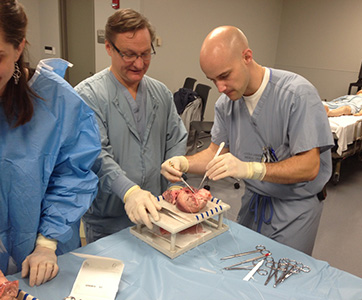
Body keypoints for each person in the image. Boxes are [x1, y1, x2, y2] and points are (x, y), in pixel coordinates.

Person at [161, 26, 334, 255]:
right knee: (241, 268)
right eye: (213, 80)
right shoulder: (226, 104)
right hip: (254, 203)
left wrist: (251, 169)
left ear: (247, 57)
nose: (220, 88)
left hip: (294, 208)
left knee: (281, 278)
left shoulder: (296, 94)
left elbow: (309, 166)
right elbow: (216, 152)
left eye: (224, 76)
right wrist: (183, 163)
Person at [0, 0, 101, 286]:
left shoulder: (58, 103)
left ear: (19, 47)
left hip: (43, 259)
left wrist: (47, 242)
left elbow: (74, 174)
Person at [75, 9, 187, 243]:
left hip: (157, 214)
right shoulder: (88, 95)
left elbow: (175, 139)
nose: (139, 63)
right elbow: (97, 155)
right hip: (109, 220)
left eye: (146, 54)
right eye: (129, 55)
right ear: (109, 48)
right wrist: (129, 191)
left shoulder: (160, 93)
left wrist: (175, 180)